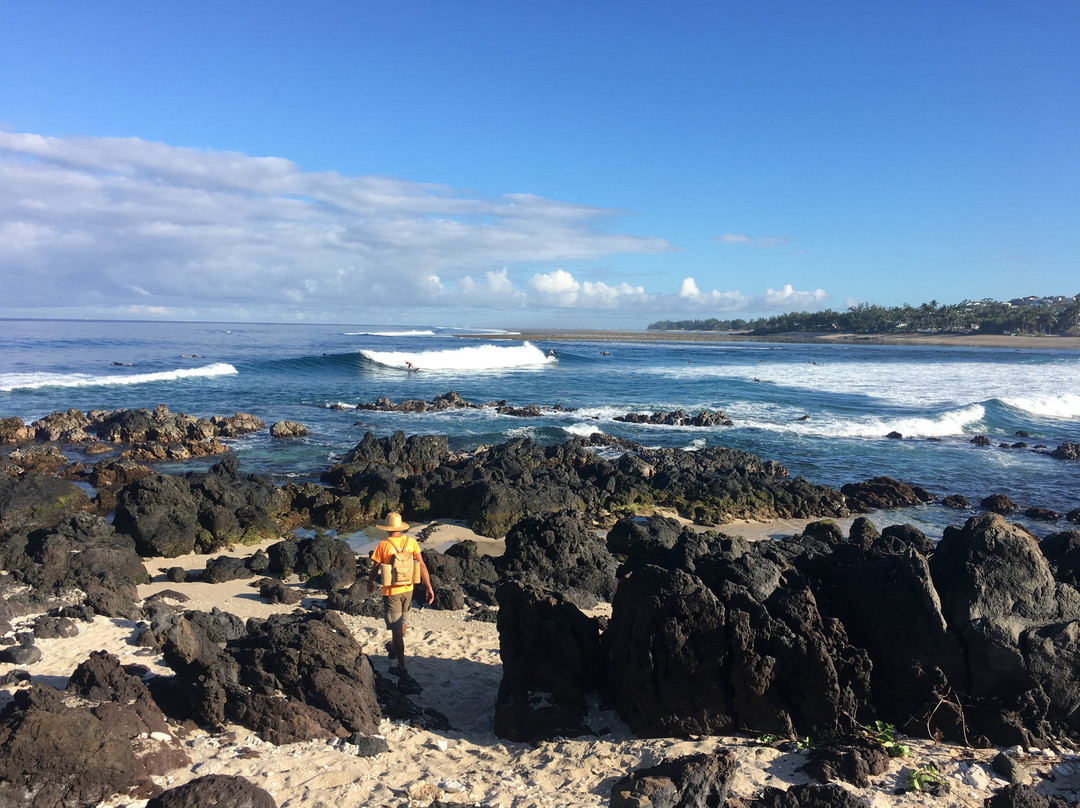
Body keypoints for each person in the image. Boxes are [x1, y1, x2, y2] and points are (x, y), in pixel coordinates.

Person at [366, 512, 434, 684]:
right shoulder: (411, 542)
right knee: (402, 623)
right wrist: (429, 586)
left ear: (387, 528)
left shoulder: (383, 545)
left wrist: (370, 582)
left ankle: (402, 668)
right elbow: (422, 565)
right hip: (408, 589)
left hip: (392, 592)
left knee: (396, 630)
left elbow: (375, 568)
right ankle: (396, 648)